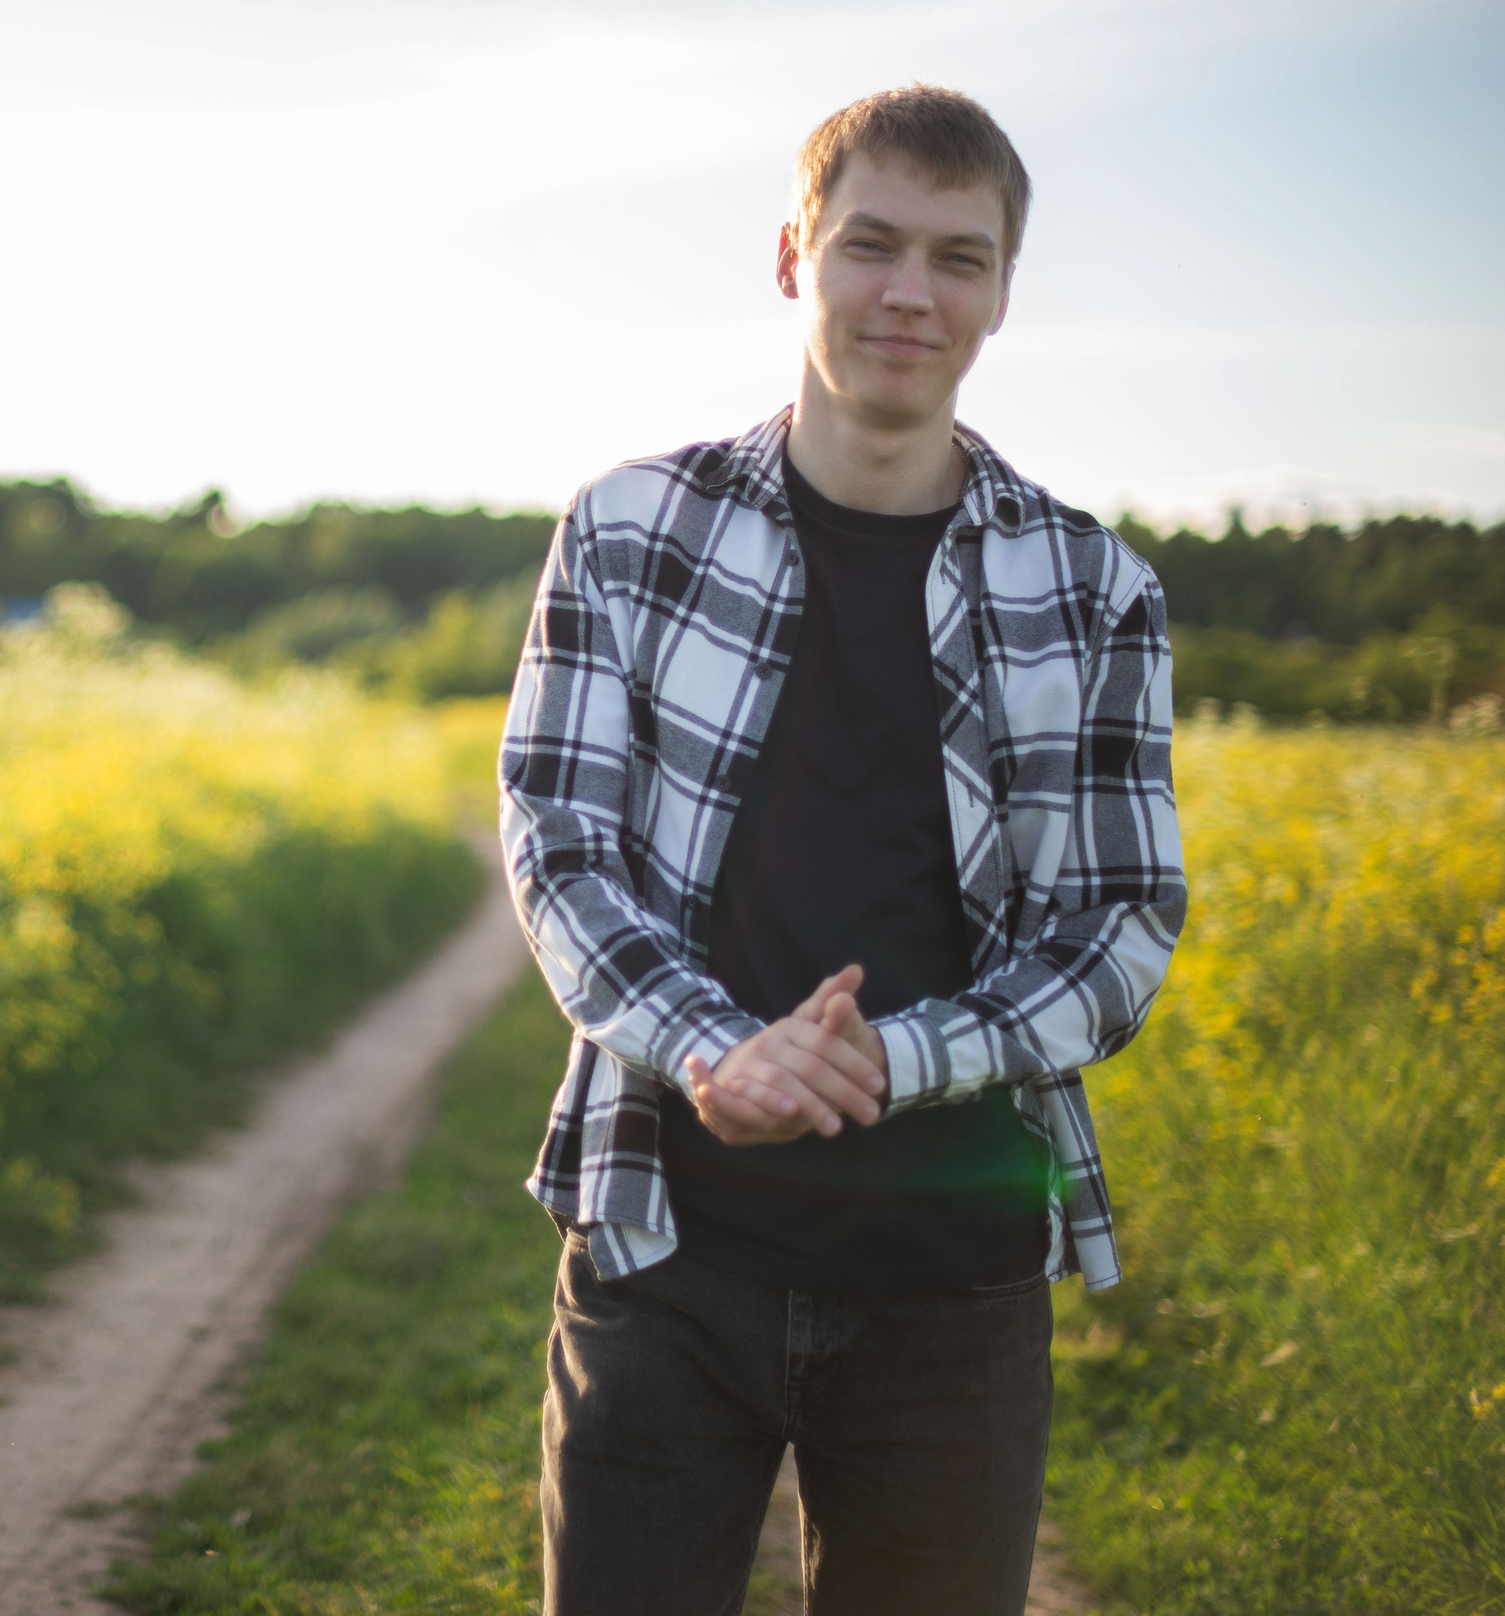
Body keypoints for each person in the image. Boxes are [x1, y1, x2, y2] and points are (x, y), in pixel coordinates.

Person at [497, 85, 1189, 1616]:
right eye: (871, 244)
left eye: (958, 258)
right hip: (670, 1238)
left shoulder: (1094, 587)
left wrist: (897, 1058)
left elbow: (1120, 924)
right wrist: (716, 1052)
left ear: (1004, 291)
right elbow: (560, 844)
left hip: (959, 1272)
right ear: (795, 251)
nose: (908, 294)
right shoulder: (628, 530)